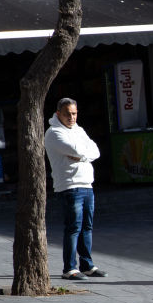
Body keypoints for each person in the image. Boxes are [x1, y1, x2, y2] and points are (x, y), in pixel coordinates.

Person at [44, 98, 106, 281]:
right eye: (67, 114)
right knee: (73, 228)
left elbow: (95, 150)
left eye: (74, 113)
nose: (71, 117)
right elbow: (76, 149)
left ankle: (87, 266)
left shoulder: (79, 130)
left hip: (87, 184)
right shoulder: (54, 133)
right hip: (70, 186)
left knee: (87, 227)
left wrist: (83, 156)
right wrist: (84, 153)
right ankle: (69, 268)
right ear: (58, 114)